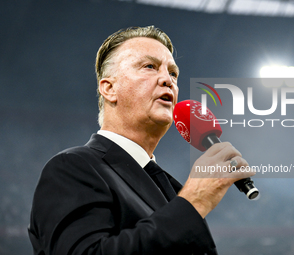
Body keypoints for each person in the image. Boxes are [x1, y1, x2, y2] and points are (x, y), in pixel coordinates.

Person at [28, 25, 255, 255]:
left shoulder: (172, 189)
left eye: (173, 73)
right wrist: (192, 204)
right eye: (149, 67)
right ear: (109, 89)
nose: (168, 80)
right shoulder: (72, 167)